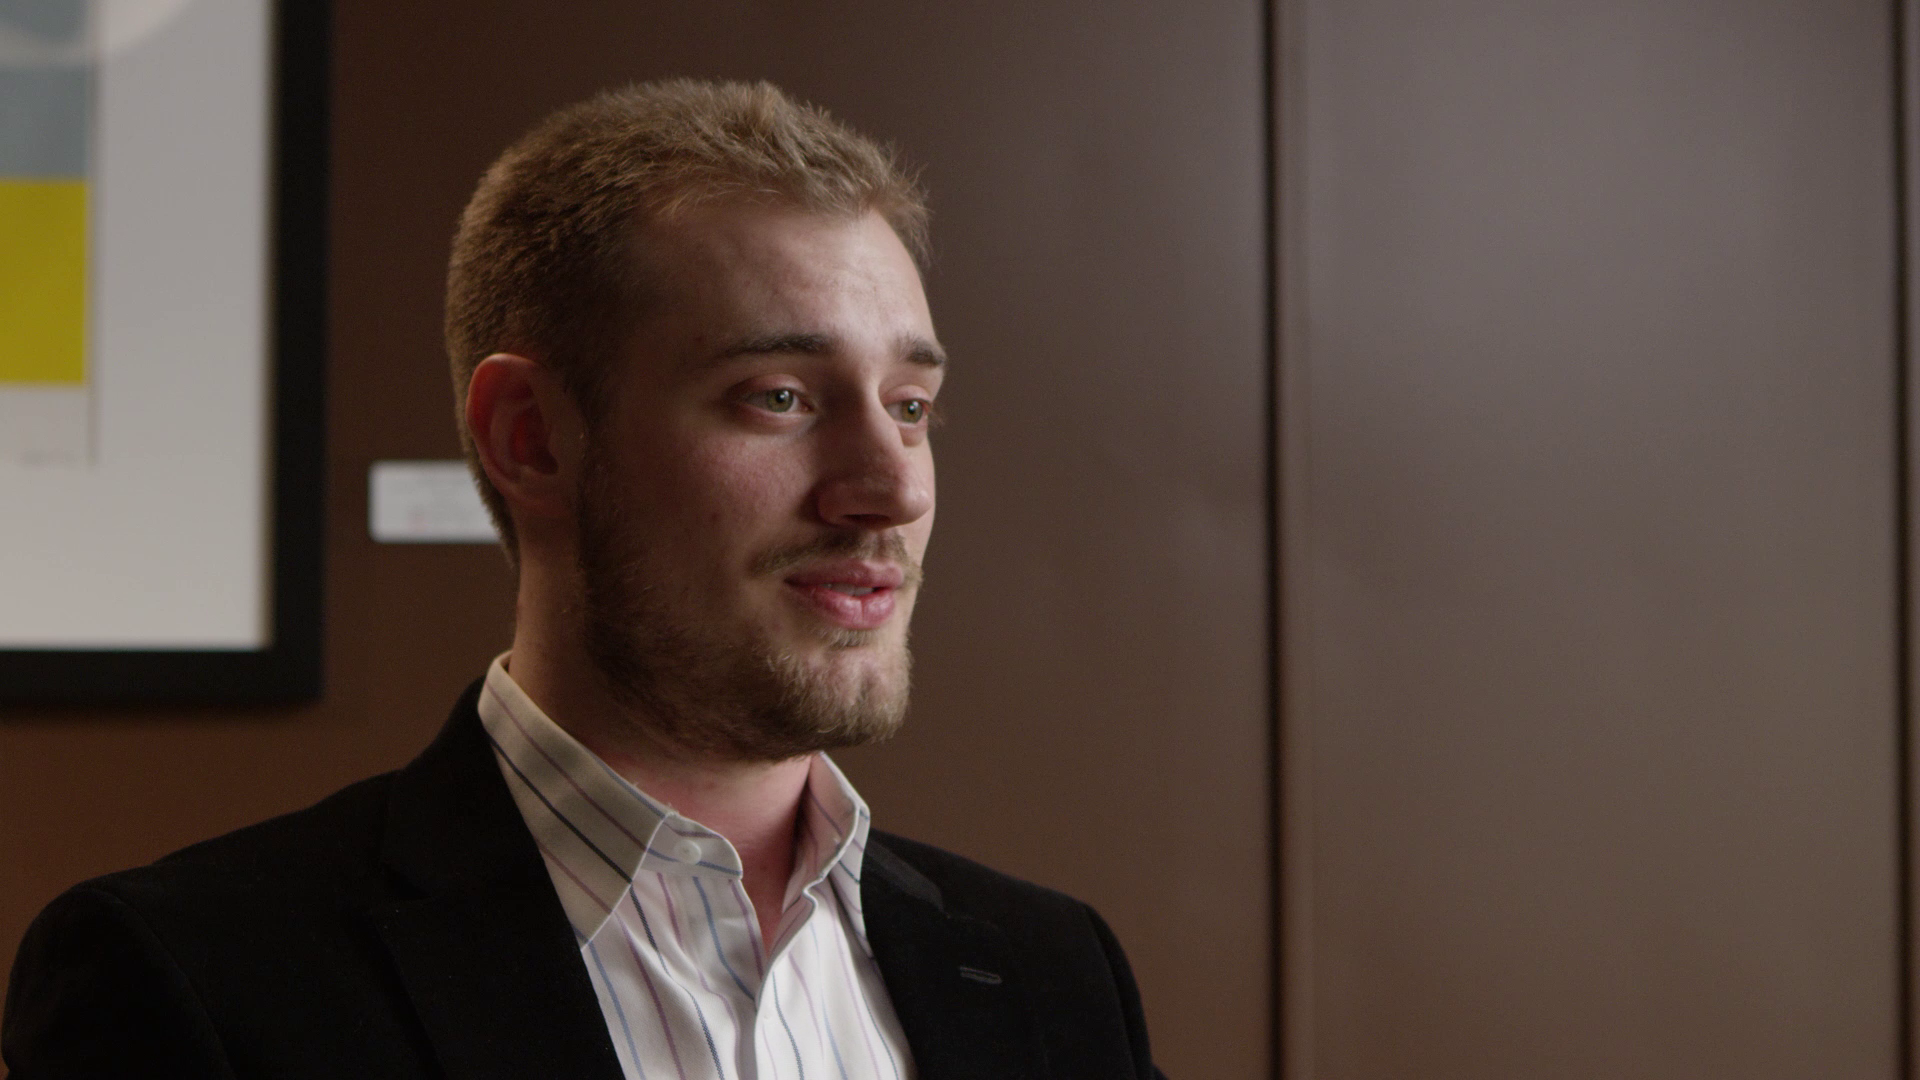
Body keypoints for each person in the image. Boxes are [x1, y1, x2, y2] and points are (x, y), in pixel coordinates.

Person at [3, 80, 1165, 1079]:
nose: (891, 488)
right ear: (531, 439)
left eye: (910, 408)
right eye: (780, 397)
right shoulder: (196, 980)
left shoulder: (1053, 978)